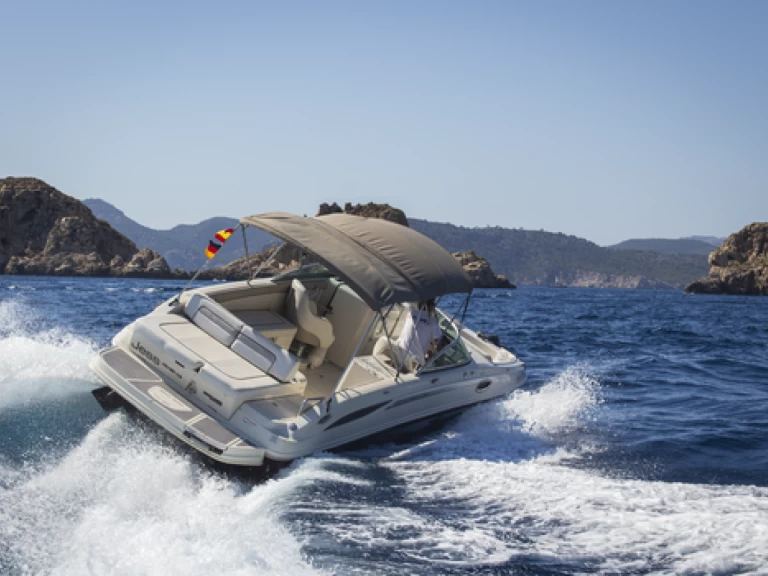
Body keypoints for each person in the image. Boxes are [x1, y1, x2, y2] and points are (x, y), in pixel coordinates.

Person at [373, 298, 442, 372]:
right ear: (432, 307)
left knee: (383, 339)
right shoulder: (433, 323)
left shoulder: (411, 314)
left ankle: (375, 363)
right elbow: (437, 347)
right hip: (413, 362)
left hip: (399, 352)